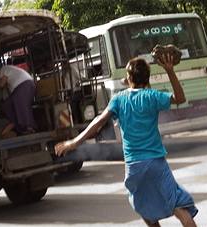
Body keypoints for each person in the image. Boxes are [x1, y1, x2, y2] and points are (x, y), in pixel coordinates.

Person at [55, 54, 198, 227]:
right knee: (179, 207)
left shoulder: (119, 99)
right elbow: (180, 98)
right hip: (155, 163)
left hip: (133, 166)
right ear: (148, 77)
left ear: (129, 78)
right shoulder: (152, 96)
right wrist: (169, 71)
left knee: (145, 209)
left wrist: (74, 142)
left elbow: (98, 123)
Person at [0, 64, 36, 137]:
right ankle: (19, 125)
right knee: (8, 105)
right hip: (26, 85)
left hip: (23, 85)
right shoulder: (12, 73)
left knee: (22, 107)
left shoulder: (4, 69)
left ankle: (29, 127)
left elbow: (1, 84)